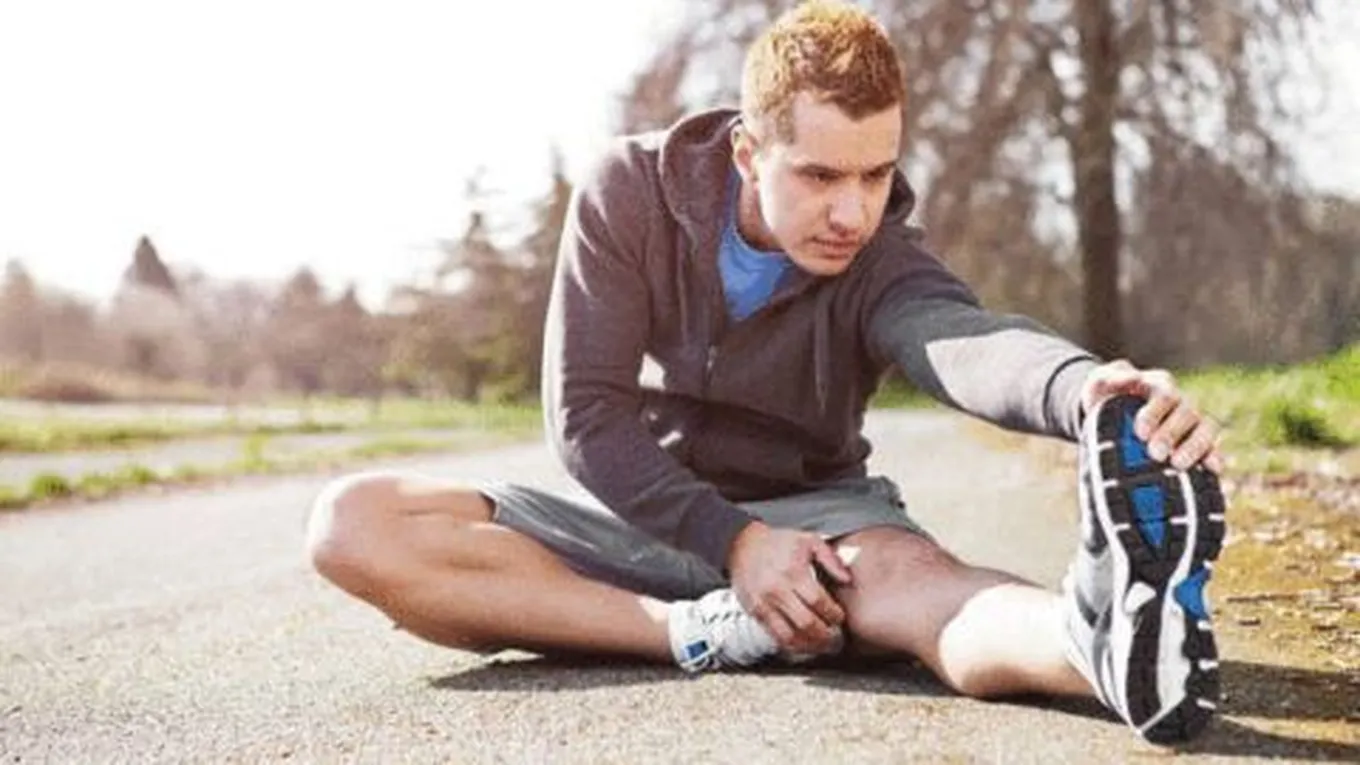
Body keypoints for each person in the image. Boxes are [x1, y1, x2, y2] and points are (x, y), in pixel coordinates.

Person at [304, 0, 1227, 745]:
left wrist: (1086, 392)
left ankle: (1099, 645)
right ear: (749, 152)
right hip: (637, 513)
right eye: (821, 176)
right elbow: (585, 415)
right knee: (355, 522)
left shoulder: (879, 258)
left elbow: (960, 338)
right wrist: (735, 545)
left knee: (923, 588)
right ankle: (698, 631)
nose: (853, 212)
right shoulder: (630, 194)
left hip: (817, 527)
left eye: (875, 175)